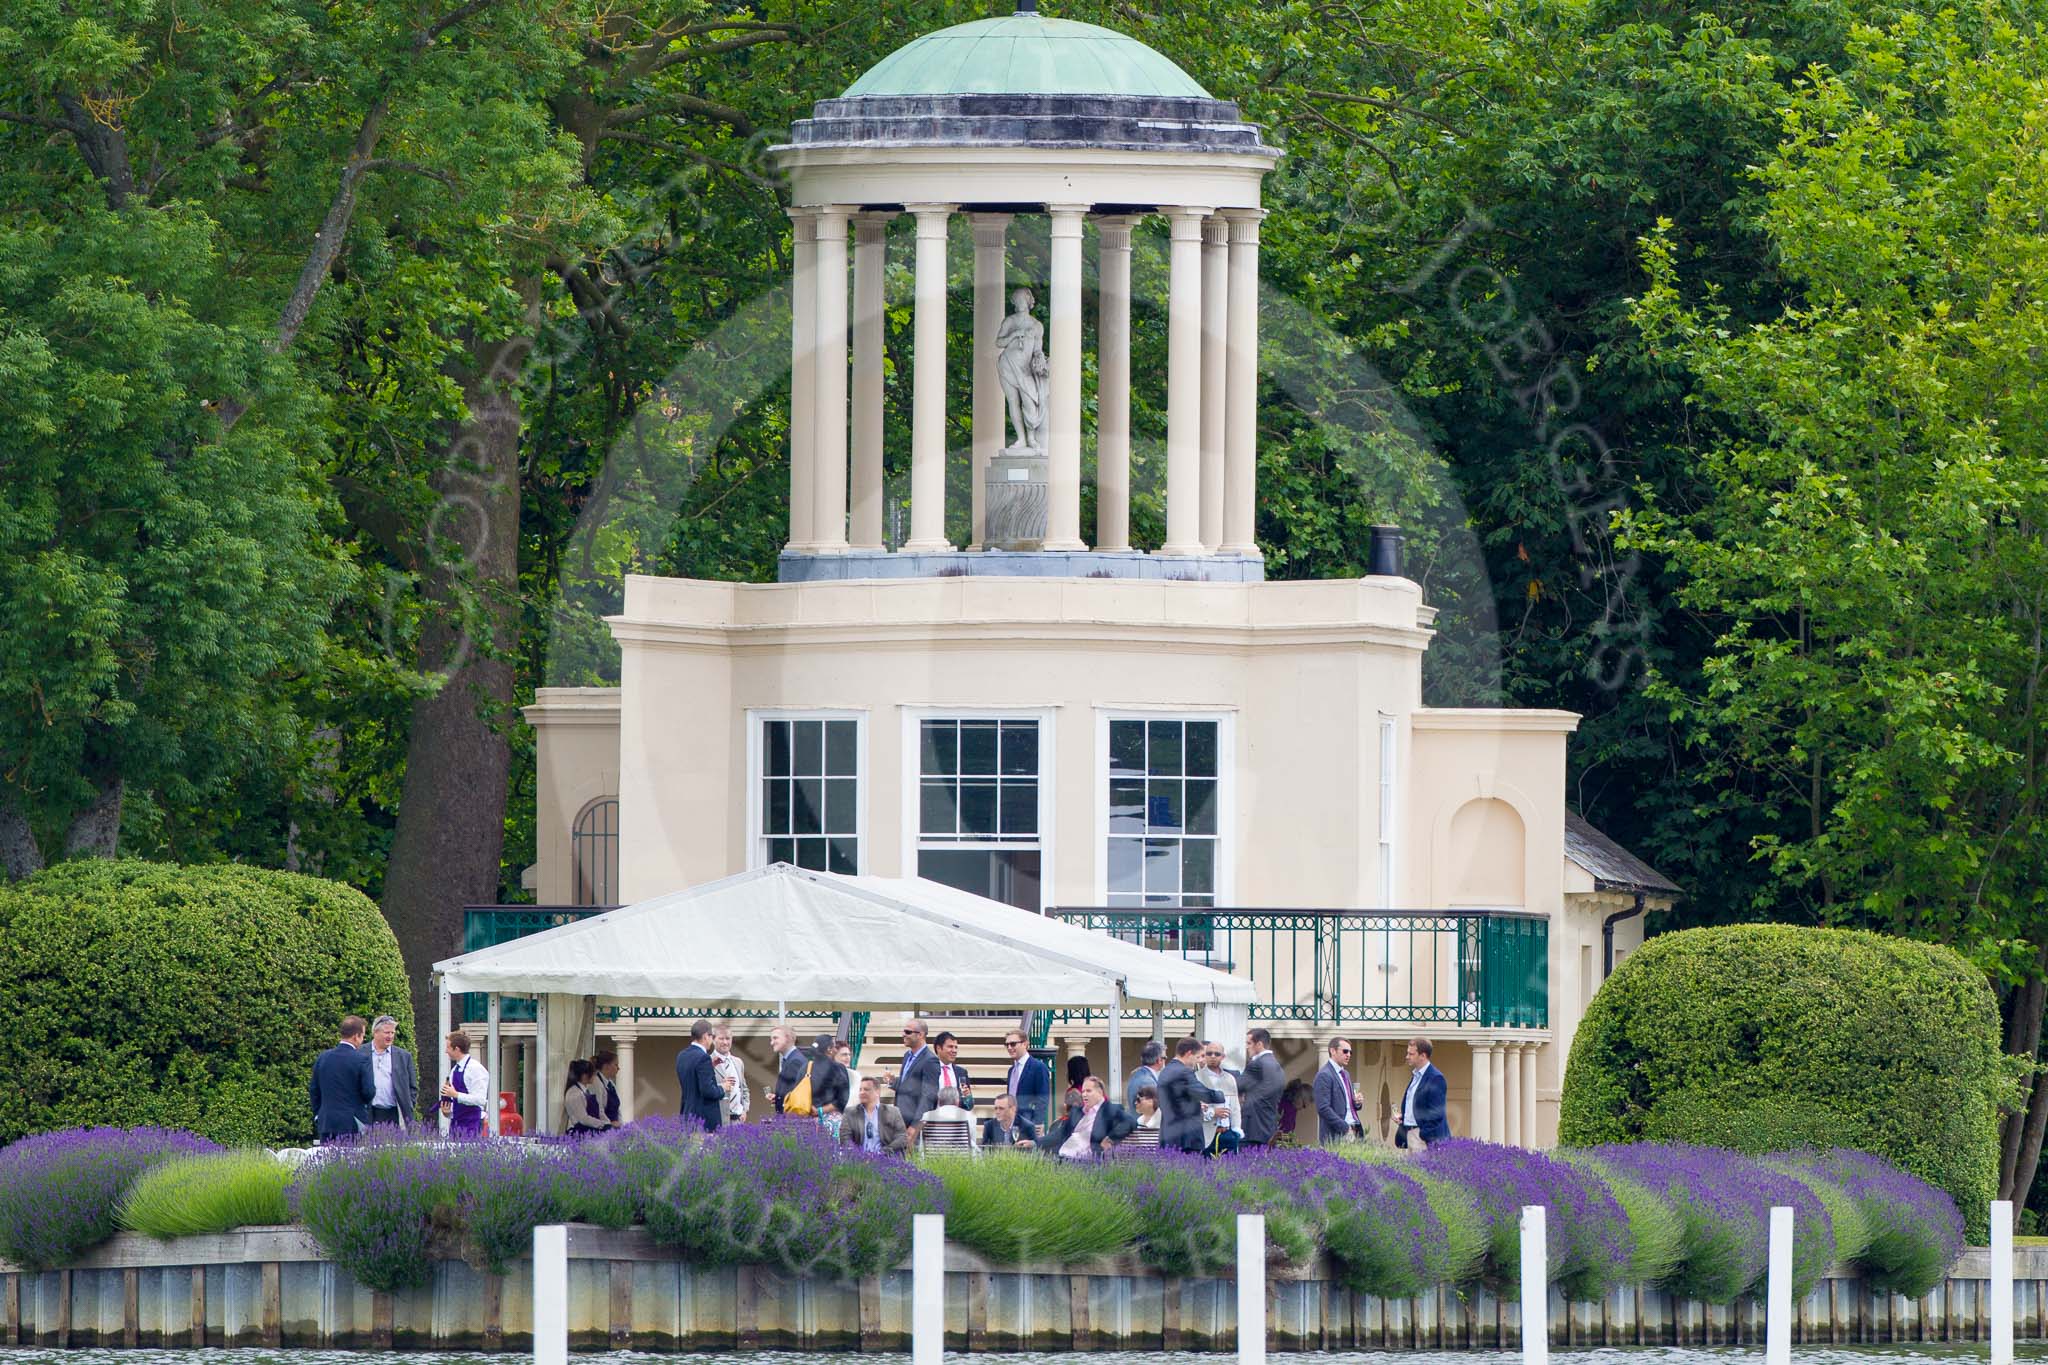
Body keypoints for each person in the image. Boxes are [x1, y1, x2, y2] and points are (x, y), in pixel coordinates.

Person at [309, 1015, 375, 1143]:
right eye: (363, 1036)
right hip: (353, 1122)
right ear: (356, 1036)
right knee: (352, 1162)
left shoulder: (323, 1057)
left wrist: (319, 1114)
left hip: (326, 1121)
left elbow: (314, 1090)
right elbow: (369, 1091)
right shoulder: (361, 1059)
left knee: (328, 1161)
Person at [1039, 1076, 1136, 1161]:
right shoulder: (1078, 1112)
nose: (1084, 1094)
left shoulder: (1110, 1109)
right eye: (1083, 1091)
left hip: (1085, 1162)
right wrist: (1034, 1142)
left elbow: (1130, 1121)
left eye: (1088, 1091)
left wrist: (1110, 1139)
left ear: (1100, 1092)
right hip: (1061, 1157)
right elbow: (1059, 1134)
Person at [1157, 1038, 1224, 1154]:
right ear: (1189, 1053)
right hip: (1186, 1137)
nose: (1198, 1061)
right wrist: (1221, 1095)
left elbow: (1177, 1100)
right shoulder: (1183, 1072)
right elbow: (1203, 1093)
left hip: (1168, 1134)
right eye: (1197, 1057)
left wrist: (1196, 1105)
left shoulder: (1165, 1071)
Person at [1395, 1037, 1452, 1151]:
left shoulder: (1435, 1078)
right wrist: (1405, 1116)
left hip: (1422, 1138)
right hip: (1409, 1133)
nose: (1407, 1057)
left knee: (1421, 1169)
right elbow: (1416, 1103)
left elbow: (1437, 1113)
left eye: (1411, 1054)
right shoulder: (1416, 1076)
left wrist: (1422, 1134)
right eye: (1408, 1053)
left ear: (1423, 1056)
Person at [676, 1018, 731, 1129]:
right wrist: (723, 1088)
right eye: (712, 1036)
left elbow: (693, 1079)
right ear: (706, 1036)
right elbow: (708, 1091)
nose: (712, 1040)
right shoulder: (703, 1057)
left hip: (687, 1117)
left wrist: (709, 1067)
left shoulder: (682, 1055)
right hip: (704, 1121)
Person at [365, 1015, 417, 1130]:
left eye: (392, 1033)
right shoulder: (361, 1053)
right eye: (386, 1032)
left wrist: (409, 1105)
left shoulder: (403, 1056)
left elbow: (412, 1085)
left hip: (393, 1113)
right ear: (375, 1033)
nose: (390, 1036)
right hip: (368, 1113)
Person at [893, 1018, 941, 1135]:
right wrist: (893, 1082)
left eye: (908, 1032)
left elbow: (928, 1096)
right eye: (904, 1031)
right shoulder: (907, 1056)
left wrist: (915, 1126)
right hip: (900, 1122)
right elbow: (908, 1086)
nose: (903, 1034)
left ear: (920, 1035)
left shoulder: (930, 1060)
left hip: (914, 1127)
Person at [439, 1030, 490, 1139]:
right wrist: (447, 1112)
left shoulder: (476, 1069)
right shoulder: (454, 1070)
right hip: (456, 1123)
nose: (445, 1051)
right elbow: (455, 1101)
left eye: (448, 1047)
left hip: (473, 1124)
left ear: (457, 1049)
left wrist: (456, 1095)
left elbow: (480, 1100)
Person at [840, 1075, 909, 1156]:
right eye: (860, 1090)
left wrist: (885, 1152)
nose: (862, 1092)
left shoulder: (893, 1112)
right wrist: (858, 1155)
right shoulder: (850, 1112)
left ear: (877, 1092)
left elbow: (902, 1137)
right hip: (858, 1161)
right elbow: (845, 1138)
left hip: (886, 1159)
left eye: (866, 1089)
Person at [1314, 1037, 1364, 1145]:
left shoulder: (1345, 1074)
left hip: (1354, 1128)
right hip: (1337, 1133)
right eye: (1345, 1051)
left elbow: (1348, 1104)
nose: (1349, 1055)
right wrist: (1345, 1127)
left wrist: (1357, 1102)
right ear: (1333, 1051)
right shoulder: (1324, 1075)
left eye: (1351, 1052)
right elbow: (1323, 1108)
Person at [1239, 1028, 1284, 1148]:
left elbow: (1237, 1086)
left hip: (1252, 1127)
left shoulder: (1256, 1064)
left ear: (1259, 1044)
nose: (1246, 1047)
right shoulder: (1277, 1065)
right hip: (1269, 1126)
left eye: (1249, 1043)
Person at [1197, 1040, 1244, 1156]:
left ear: (1223, 1057)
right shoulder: (1196, 1077)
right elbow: (1192, 1109)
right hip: (1205, 1135)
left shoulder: (1230, 1078)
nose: (1213, 1056)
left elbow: (1235, 1108)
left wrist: (1236, 1131)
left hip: (1228, 1134)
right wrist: (1213, 1113)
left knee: (1231, 1171)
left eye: (1217, 1054)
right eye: (1209, 1053)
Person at [1001, 1030, 1053, 1127]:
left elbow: (1042, 1099)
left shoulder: (1038, 1067)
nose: (1009, 1048)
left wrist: (1037, 1123)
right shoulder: (1011, 1070)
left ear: (1024, 1044)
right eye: (1006, 1045)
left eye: (1013, 1044)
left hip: (1028, 1124)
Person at [919, 1086, 977, 1152]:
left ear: (939, 1101)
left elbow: (922, 1146)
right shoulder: (969, 1116)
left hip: (934, 1159)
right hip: (962, 1159)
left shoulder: (927, 1116)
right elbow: (972, 1143)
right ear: (957, 1101)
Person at [770, 1025, 811, 1114]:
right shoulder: (791, 1059)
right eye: (771, 1039)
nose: (772, 1043)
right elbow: (790, 1091)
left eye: (775, 1038)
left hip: (791, 1120)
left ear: (787, 1038)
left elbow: (798, 1093)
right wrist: (778, 1097)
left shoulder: (795, 1061)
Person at [712, 1025, 749, 1121]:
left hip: (738, 1119)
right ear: (713, 1039)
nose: (725, 1042)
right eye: (721, 1039)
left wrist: (744, 1109)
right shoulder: (707, 1062)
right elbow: (705, 1089)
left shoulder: (738, 1062)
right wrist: (722, 1085)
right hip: (718, 1119)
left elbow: (744, 1089)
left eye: (728, 1038)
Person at [563, 1059, 610, 1135]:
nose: (595, 1076)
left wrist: (607, 1123)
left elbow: (599, 1112)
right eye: (593, 1074)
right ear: (585, 1075)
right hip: (582, 1134)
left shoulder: (585, 1090)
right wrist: (603, 1125)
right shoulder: (574, 1093)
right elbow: (583, 1118)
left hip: (593, 1131)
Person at [811, 1032, 851, 1119]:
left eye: (849, 1054)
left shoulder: (806, 1067)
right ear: (830, 1050)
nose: (848, 1057)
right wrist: (820, 1111)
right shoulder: (838, 1069)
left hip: (809, 1119)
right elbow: (843, 1098)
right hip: (831, 1120)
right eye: (844, 1055)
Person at [933, 1031, 973, 1111]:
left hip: (956, 1121)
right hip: (934, 1120)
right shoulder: (929, 1070)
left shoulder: (961, 1072)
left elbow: (969, 1106)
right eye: (950, 1047)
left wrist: (968, 1098)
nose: (954, 1051)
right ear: (938, 1048)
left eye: (956, 1047)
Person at [1125, 1040, 1164, 1109]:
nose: (1164, 1061)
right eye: (1164, 1058)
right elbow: (1154, 1110)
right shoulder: (1147, 1081)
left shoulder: (1136, 1074)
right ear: (1158, 1060)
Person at [593, 1050, 623, 1126]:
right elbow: (599, 1111)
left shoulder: (611, 1084)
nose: (618, 1068)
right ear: (606, 1066)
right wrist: (609, 1125)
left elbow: (617, 1110)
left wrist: (621, 1125)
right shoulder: (596, 1083)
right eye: (616, 1065)